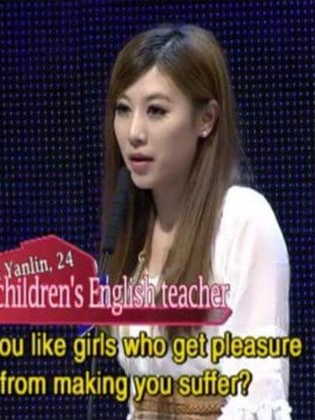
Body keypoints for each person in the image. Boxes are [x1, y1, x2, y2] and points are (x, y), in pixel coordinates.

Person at [101, 25, 290, 418]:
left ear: (206, 119)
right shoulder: (133, 230)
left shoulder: (242, 221)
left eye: (156, 110)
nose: (134, 132)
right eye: (123, 109)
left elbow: (256, 395)